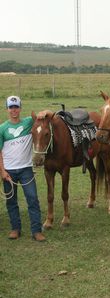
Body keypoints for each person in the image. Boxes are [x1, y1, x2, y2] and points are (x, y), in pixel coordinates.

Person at [0, 95, 45, 241]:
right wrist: (3, 171)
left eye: (16, 107)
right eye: (11, 107)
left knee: (32, 199)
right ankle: (15, 229)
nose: (14, 110)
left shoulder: (29, 122)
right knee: (11, 201)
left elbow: (46, 116)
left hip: (26, 169)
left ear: (20, 108)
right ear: (7, 109)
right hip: (9, 171)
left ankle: (36, 231)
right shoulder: (2, 128)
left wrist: (44, 112)